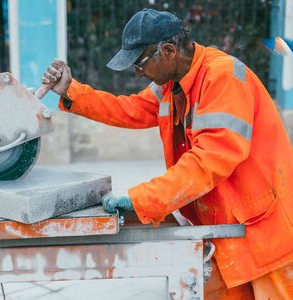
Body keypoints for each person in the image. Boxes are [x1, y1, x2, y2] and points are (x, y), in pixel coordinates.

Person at [42, 8, 293, 299]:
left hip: (263, 236)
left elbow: (209, 160)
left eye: (140, 63)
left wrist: (143, 199)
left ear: (169, 50)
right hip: (228, 232)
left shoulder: (222, 78)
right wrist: (72, 91)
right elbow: (131, 109)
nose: (137, 72)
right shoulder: (172, 84)